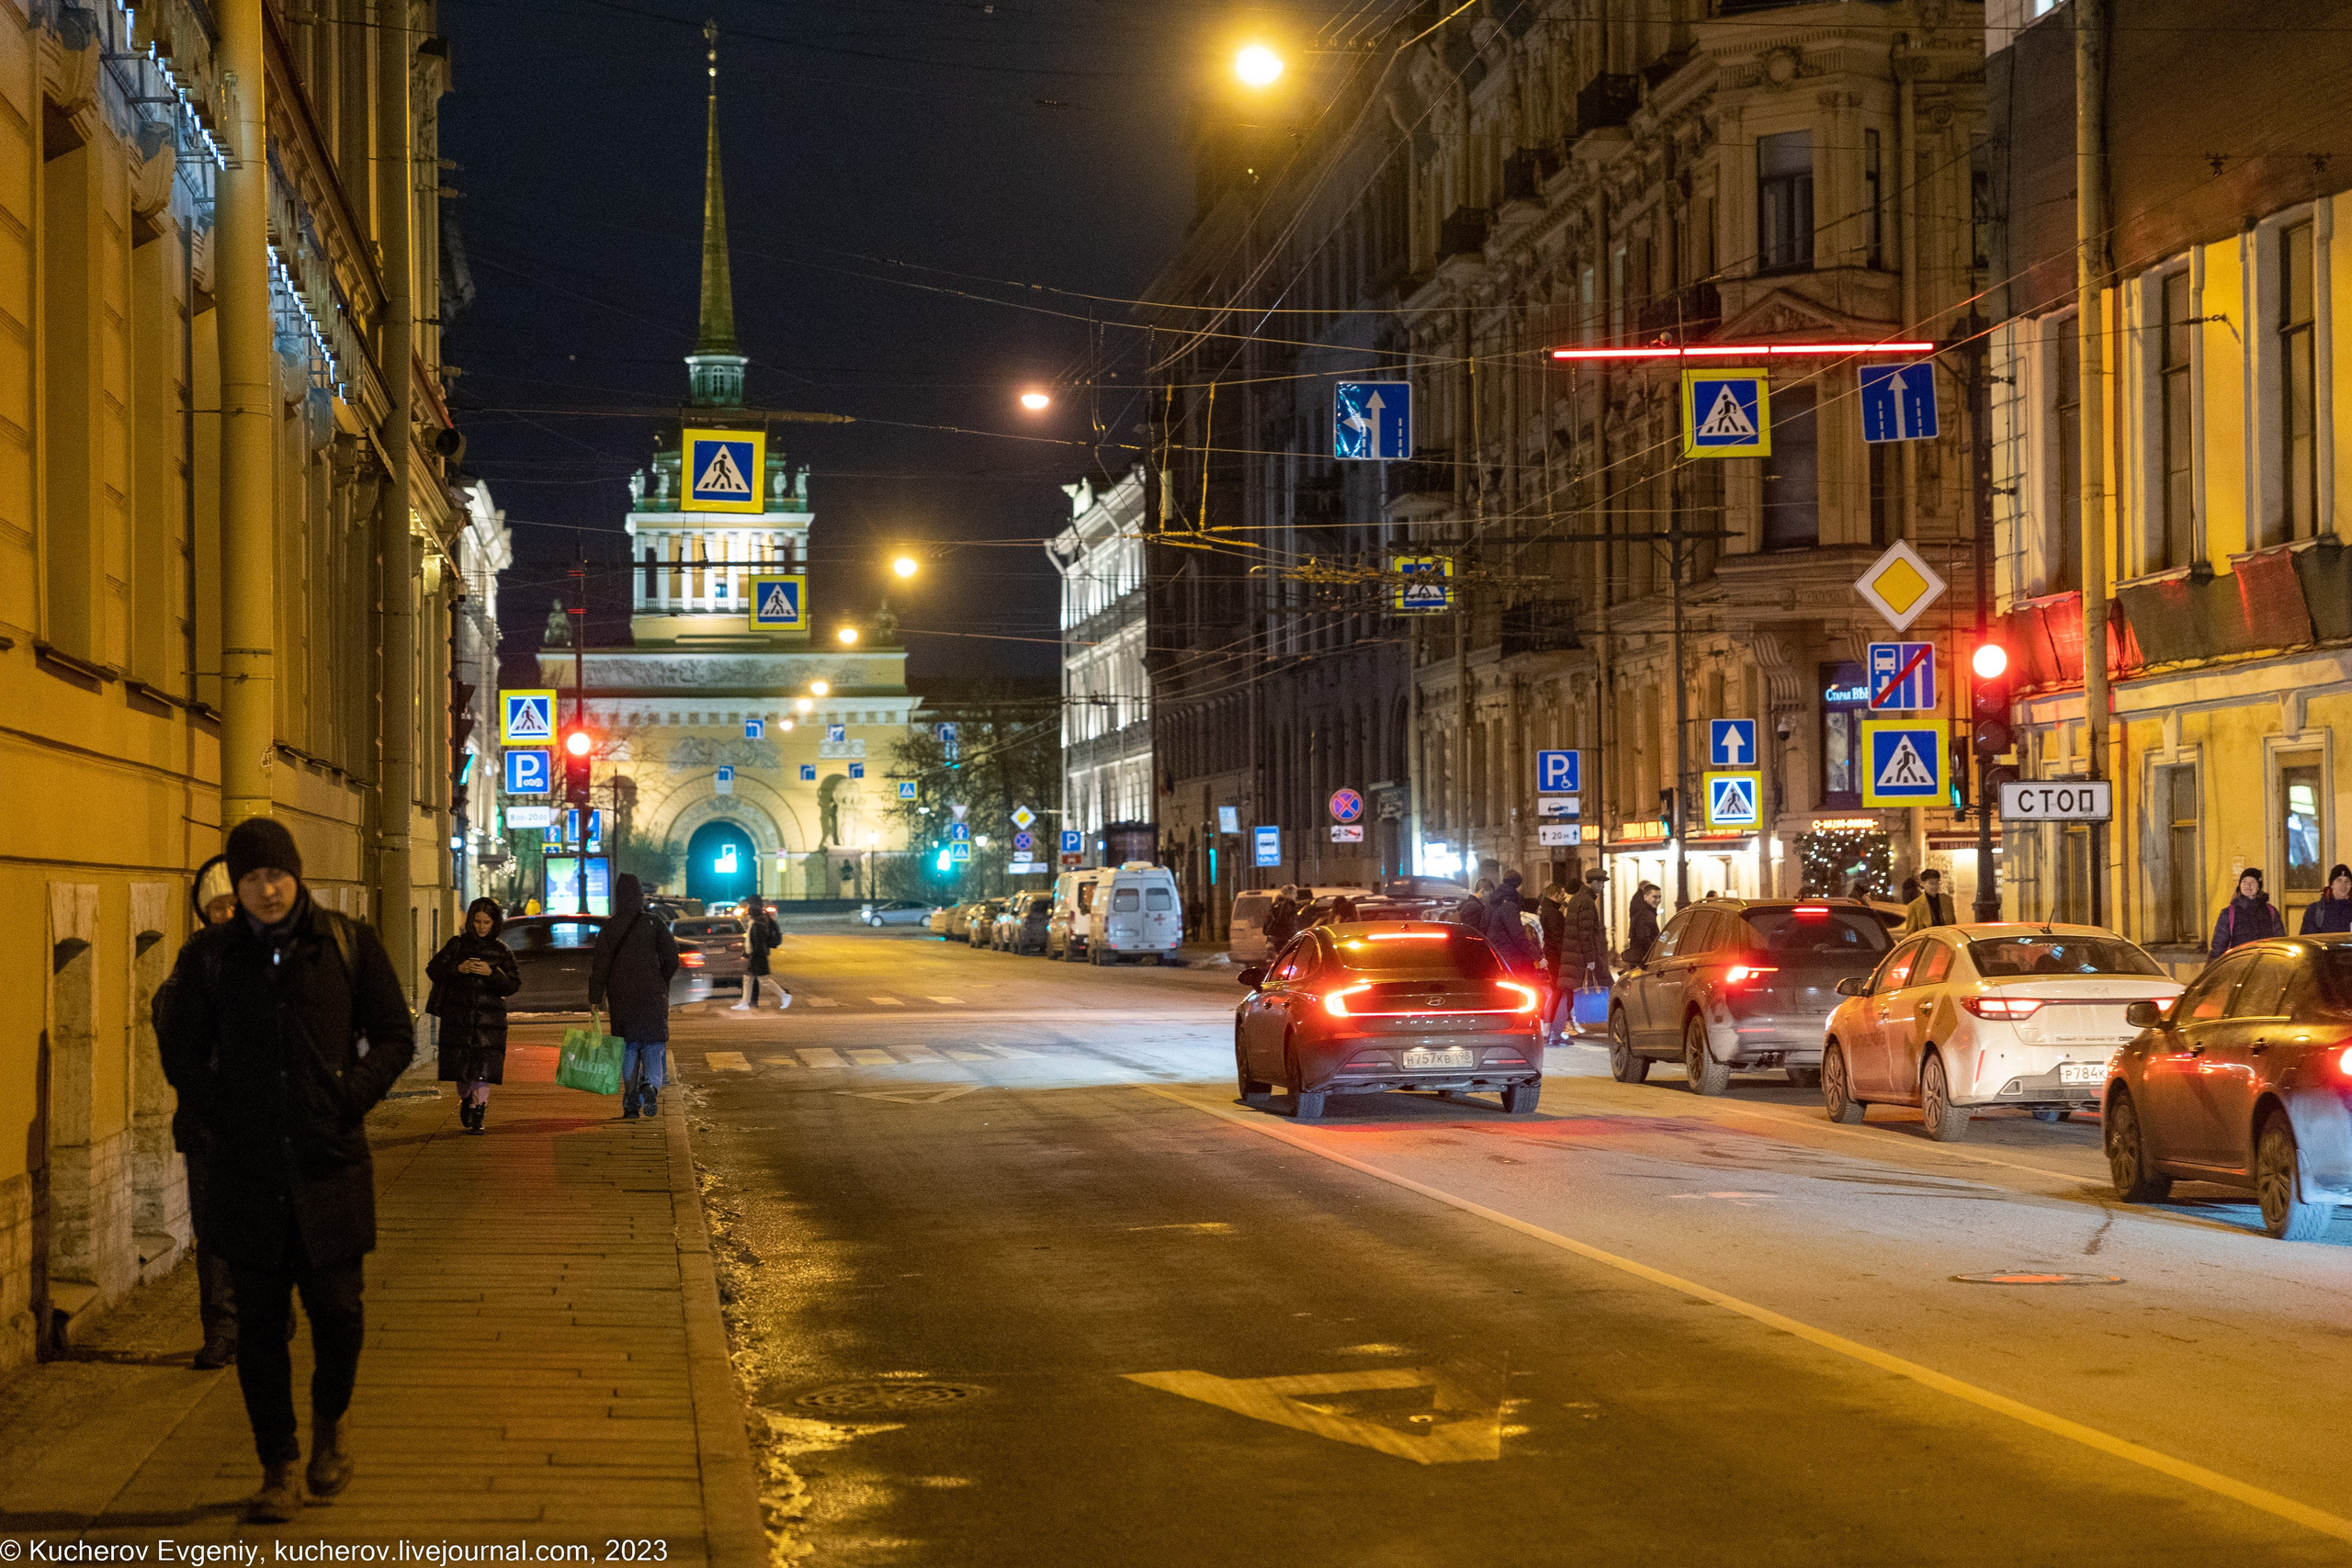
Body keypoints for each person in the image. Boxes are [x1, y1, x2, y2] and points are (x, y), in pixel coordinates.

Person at [153, 818, 413, 1522]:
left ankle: (332, 1418)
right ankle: (279, 1466)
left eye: (277, 875)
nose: (267, 889)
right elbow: (178, 1048)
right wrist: (218, 1112)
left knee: (340, 1314)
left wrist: (350, 1095)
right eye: (251, 878)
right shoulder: (211, 957)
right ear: (235, 885)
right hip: (248, 1172)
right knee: (259, 1330)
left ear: (297, 876)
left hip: (330, 1165)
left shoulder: (346, 944)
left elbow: (395, 1035)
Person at [181, 856, 241, 1370]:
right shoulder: (193, 959)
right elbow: (172, 1030)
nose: (225, 916)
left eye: (232, 906)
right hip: (208, 1120)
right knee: (215, 1230)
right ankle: (221, 1330)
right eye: (215, 908)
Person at [425, 897, 520, 1134]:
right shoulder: (457, 945)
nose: (481, 926)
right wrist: (458, 968)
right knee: (463, 1073)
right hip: (459, 1020)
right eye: (477, 921)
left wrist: (492, 973)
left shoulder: (501, 951)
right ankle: (466, 1099)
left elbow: (512, 984)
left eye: (486, 922)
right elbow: (433, 969)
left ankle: (479, 1114)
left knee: (482, 1071)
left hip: (489, 1024)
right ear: (470, 921)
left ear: (494, 923)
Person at [590, 874, 680, 1119]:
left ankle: (630, 1103)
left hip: (621, 998)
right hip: (652, 994)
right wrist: (661, 978)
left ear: (618, 898)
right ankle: (650, 1086)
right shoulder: (654, 923)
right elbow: (672, 957)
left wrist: (595, 997)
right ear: (640, 896)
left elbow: (600, 966)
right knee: (653, 1046)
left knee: (628, 1048)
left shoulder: (609, 927)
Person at [1555, 868, 1611, 1028]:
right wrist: (1591, 959)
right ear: (1594, 882)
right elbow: (1585, 933)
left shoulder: (1576, 899)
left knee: (1568, 993)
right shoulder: (1586, 901)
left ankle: (1557, 1029)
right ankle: (1558, 1029)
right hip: (1580, 955)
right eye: (1601, 883)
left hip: (1573, 954)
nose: (1602, 887)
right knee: (1608, 985)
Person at [2211, 868, 2286, 958]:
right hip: (2238, 964)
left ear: (2259, 886)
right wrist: (2211, 967)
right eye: (2244, 881)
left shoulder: (2271, 911)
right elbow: (2218, 946)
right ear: (2240, 886)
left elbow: (2280, 940)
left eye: (2253, 882)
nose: (2248, 885)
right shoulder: (2229, 913)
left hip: (2265, 963)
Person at [733, 895, 788, 1010]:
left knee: (764, 980)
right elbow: (751, 941)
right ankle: (745, 1003)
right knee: (747, 979)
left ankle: (784, 995)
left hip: (758, 956)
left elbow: (757, 943)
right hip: (755, 955)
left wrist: (751, 956)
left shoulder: (757, 925)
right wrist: (746, 954)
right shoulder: (755, 923)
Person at [1484, 871, 1537, 974]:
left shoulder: (1492, 901)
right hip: (1509, 954)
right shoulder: (1509, 905)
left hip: (1494, 952)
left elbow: (1483, 926)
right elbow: (1517, 934)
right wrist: (1535, 955)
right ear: (1517, 885)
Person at [1900, 869, 1957, 934]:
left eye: (1937, 882)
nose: (1935, 886)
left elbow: (1953, 925)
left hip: (1945, 941)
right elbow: (1911, 934)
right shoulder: (1914, 906)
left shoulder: (1947, 900)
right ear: (1923, 884)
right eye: (1931, 883)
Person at [2301, 864, 2352, 935]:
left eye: (2347, 881)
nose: (2343, 885)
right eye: (2339, 881)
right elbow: (2307, 940)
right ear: (2332, 884)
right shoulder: (2315, 910)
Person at [1623, 882, 1663, 968]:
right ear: (1645, 897)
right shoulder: (1645, 915)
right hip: (1644, 964)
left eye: (1660, 897)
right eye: (1655, 897)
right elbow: (1644, 939)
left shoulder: (1646, 913)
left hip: (1641, 962)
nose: (1658, 900)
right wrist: (1654, 955)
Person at [1262, 886, 1300, 951]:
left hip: (1275, 938)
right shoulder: (1287, 904)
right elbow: (1285, 920)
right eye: (1294, 893)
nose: (1296, 895)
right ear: (1288, 894)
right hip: (1286, 939)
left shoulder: (1275, 904)